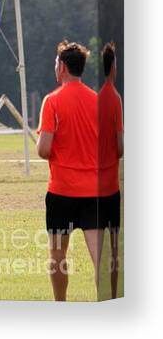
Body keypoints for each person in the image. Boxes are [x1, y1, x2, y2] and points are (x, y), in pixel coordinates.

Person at [36, 40, 101, 301]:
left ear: (62, 67)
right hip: (95, 192)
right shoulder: (98, 101)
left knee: (58, 255)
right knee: (100, 258)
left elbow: (43, 150)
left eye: (56, 63)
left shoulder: (52, 101)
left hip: (62, 191)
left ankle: (61, 307)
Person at [98, 41, 124, 299]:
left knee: (98, 247)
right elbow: (120, 146)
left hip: (94, 186)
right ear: (113, 67)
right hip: (111, 186)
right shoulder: (115, 98)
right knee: (115, 249)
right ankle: (113, 296)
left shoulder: (96, 98)